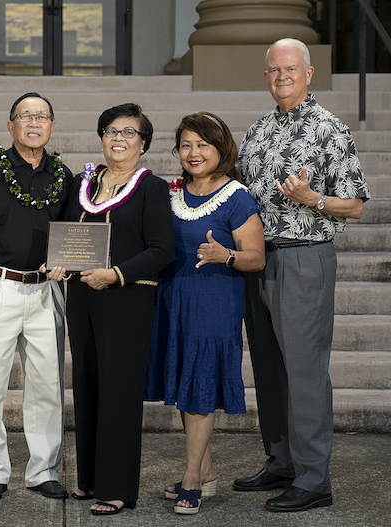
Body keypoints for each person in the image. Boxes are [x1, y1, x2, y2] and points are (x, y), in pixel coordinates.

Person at [233, 38, 370, 512]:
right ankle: (282, 460)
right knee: (270, 368)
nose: (281, 76)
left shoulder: (330, 129)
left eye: (290, 68)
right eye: (273, 70)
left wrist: (313, 198)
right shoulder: (257, 131)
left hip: (304, 259)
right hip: (257, 260)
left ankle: (314, 479)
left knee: (306, 372)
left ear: (309, 73)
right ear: (265, 75)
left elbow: (353, 204)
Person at [145, 112, 265, 515]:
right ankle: (207, 469)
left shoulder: (237, 196)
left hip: (213, 303)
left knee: (199, 387)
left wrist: (225, 254)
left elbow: (256, 258)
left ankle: (192, 479)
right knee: (184, 385)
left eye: (203, 145)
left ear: (221, 148)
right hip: (173, 299)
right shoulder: (171, 193)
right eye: (186, 145)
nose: (194, 153)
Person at [0, 92, 73, 502]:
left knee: (46, 385)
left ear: (53, 127)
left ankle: (43, 471)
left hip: (45, 293)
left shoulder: (63, 175)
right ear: (11, 126)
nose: (34, 122)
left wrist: (66, 265)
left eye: (42, 116)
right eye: (26, 116)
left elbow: (71, 236)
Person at [59, 103, 175, 515]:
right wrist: (59, 261)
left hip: (126, 299)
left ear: (143, 142)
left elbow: (163, 249)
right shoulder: (82, 183)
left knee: (119, 393)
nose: (118, 138)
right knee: (88, 386)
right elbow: (69, 237)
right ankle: (89, 481)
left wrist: (116, 274)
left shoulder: (151, 187)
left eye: (129, 132)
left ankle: (117, 488)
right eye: (110, 130)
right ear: (101, 137)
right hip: (83, 298)